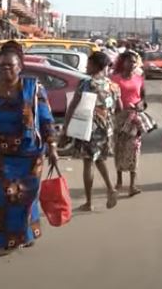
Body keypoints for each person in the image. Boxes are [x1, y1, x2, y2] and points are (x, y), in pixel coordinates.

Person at [0, 41, 59, 261]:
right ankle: (3, 243)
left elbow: (47, 119)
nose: (6, 70)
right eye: (2, 66)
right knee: (3, 198)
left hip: (30, 154)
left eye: (10, 66)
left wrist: (53, 146)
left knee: (27, 197)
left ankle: (25, 234)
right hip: (0, 156)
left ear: (20, 66)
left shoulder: (33, 88)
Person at [65, 51, 121, 212]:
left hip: (89, 127)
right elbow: (120, 108)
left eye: (89, 64)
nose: (86, 66)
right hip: (106, 128)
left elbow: (73, 106)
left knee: (88, 162)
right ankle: (109, 189)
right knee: (99, 159)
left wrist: (66, 128)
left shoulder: (86, 84)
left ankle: (90, 201)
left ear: (97, 66)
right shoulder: (113, 86)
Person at [112, 51, 146, 197]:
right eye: (129, 61)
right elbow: (110, 99)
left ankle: (133, 184)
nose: (132, 64)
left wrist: (140, 106)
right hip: (119, 118)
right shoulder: (114, 79)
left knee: (134, 148)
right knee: (119, 148)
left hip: (134, 118)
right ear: (123, 62)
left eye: (134, 62)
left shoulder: (139, 79)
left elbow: (143, 99)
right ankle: (119, 179)